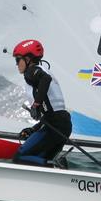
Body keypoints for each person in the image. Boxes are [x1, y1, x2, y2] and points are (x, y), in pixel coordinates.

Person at [11, 38, 72, 167]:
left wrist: (36, 105)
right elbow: (51, 114)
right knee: (38, 162)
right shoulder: (41, 70)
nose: (17, 64)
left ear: (28, 59)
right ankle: (54, 167)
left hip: (55, 126)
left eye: (18, 60)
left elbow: (45, 79)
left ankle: (55, 165)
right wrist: (33, 129)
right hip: (61, 125)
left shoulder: (31, 71)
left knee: (20, 157)